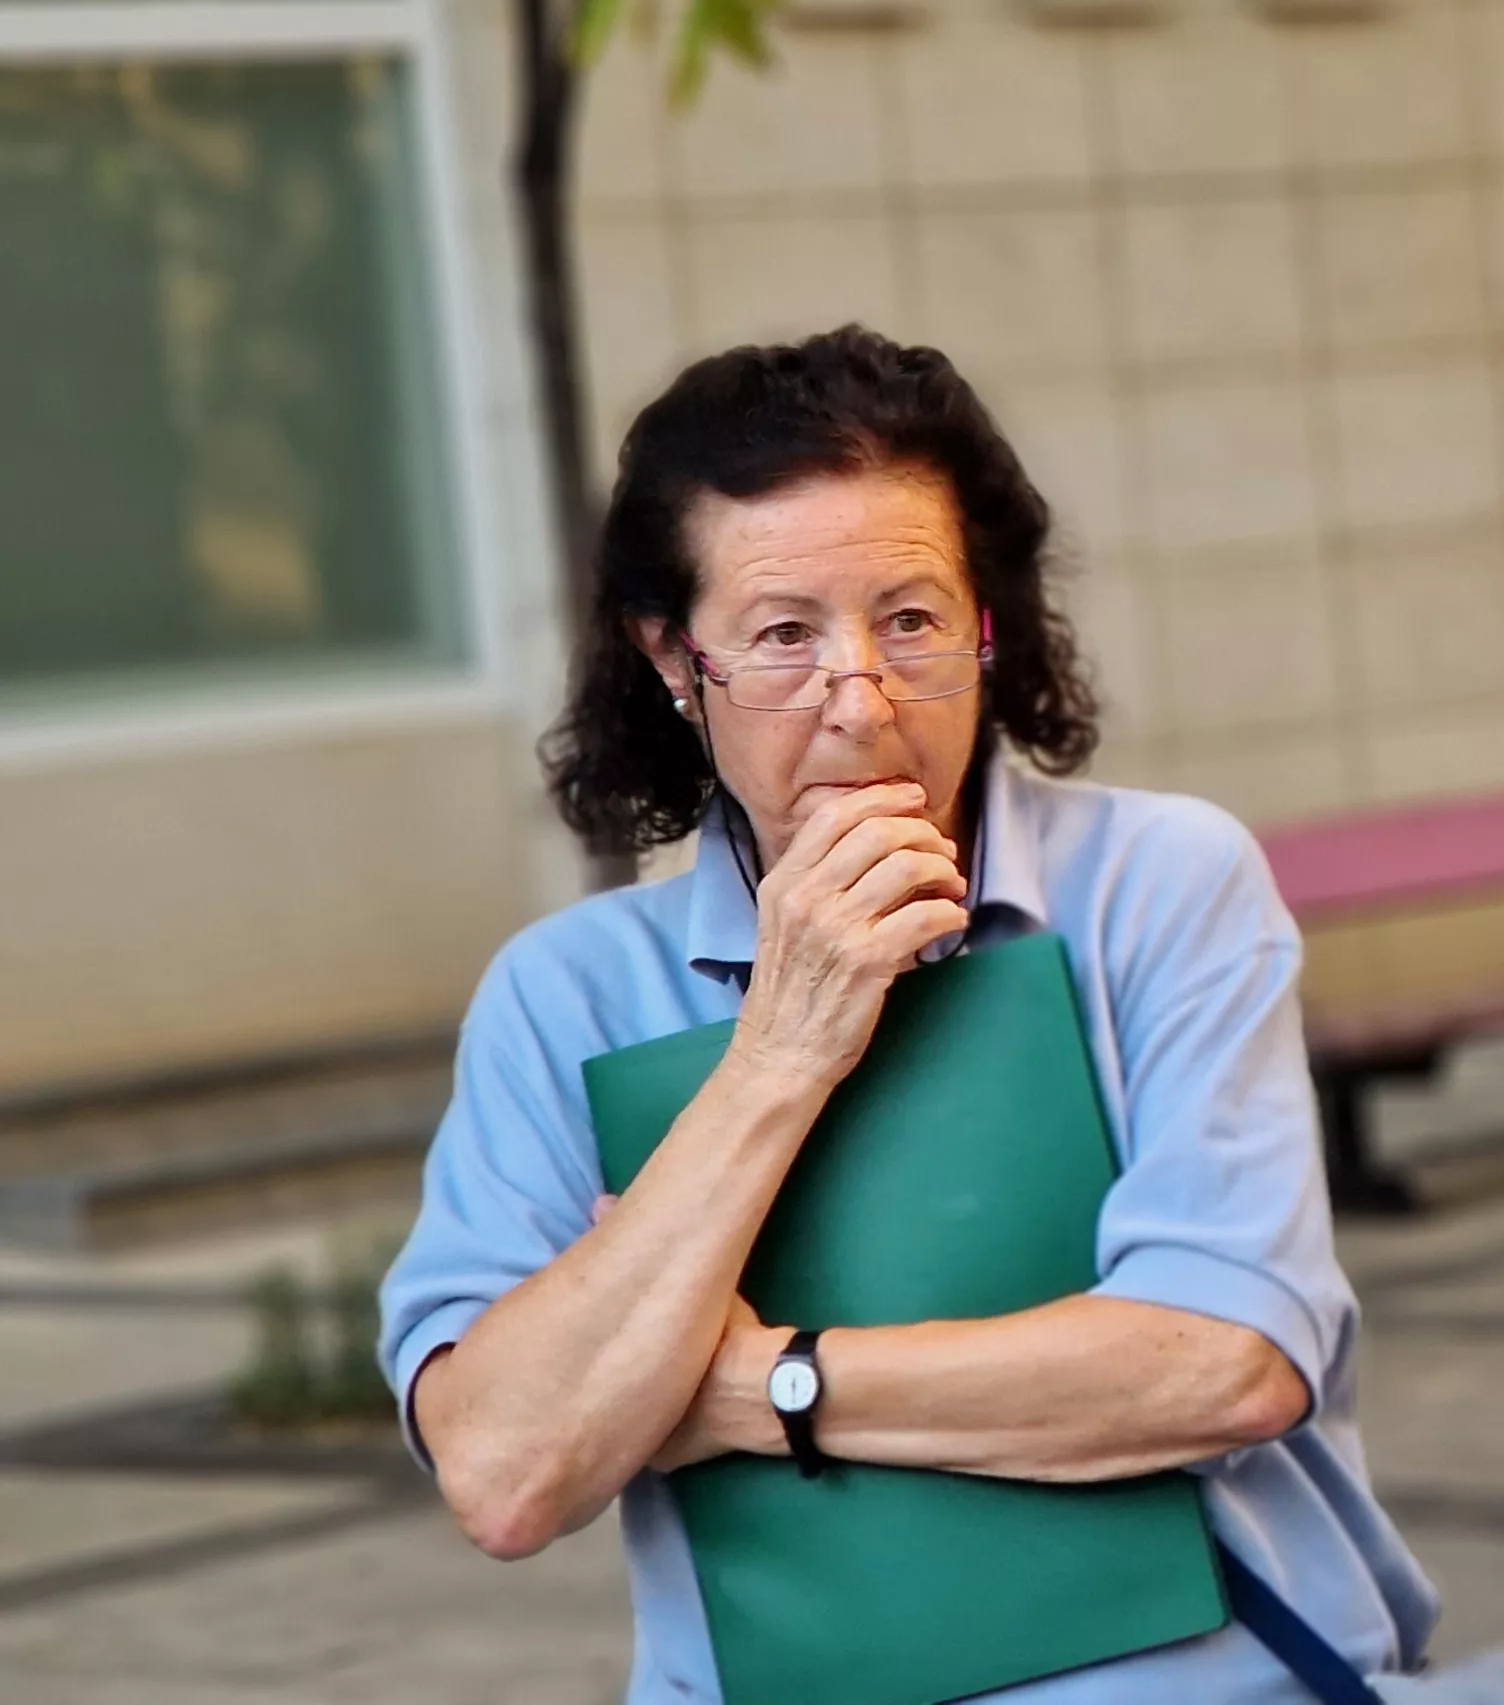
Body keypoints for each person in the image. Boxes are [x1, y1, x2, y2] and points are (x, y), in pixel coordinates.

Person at [379, 328, 1433, 1701]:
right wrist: (778, 1055)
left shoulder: (1159, 886)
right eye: (782, 637)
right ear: (671, 659)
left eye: (914, 622)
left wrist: (760, 1388)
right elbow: (511, 1471)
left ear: (988, 628)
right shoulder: (563, 995)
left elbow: (1221, 1367)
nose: (862, 705)